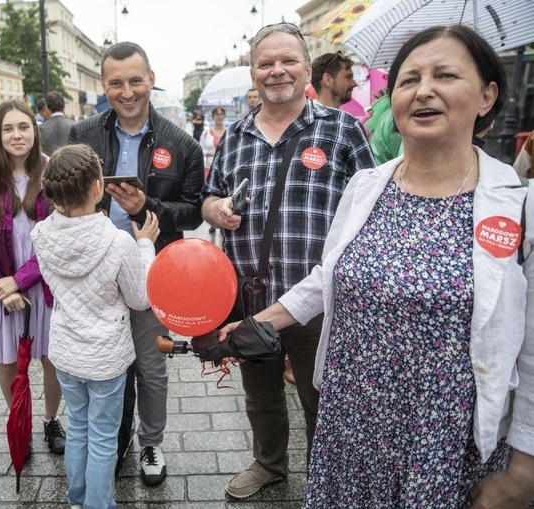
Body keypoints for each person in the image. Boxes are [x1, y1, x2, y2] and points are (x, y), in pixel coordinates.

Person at [222, 25, 534, 508]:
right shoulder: (368, 186)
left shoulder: (519, 207)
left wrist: (523, 470)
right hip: (351, 429)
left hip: (443, 444)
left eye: (445, 75)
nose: (424, 90)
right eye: (409, 79)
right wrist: (253, 324)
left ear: (487, 95)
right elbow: (328, 275)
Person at [201, 23, 375, 499]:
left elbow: (373, 207)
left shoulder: (342, 130)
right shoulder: (233, 136)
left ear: (305, 67)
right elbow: (209, 196)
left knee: (322, 395)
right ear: (253, 74)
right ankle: (269, 464)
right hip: (248, 295)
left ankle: (329, 475)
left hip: (317, 301)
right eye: (265, 63)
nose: (277, 70)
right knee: (259, 394)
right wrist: (214, 209)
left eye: (288, 61)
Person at [68, 41, 204, 486]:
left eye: (135, 80)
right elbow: (66, 199)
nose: (126, 91)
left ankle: (151, 443)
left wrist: (151, 205)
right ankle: (115, 437)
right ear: (104, 84)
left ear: (150, 79)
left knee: (149, 365)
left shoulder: (181, 143)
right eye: (115, 82)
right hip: (97, 272)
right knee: (106, 365)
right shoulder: (83, 134)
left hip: (152, 269)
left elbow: (194, 210)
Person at [32, 144, 159, 509]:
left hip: (67, 353)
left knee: (79, 431)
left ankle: (77, 500)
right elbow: (140, 299)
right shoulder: (119, 242)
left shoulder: (40, 235)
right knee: (103, 437)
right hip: (106, 358)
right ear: (97, 188)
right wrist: (145, 247)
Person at [0, 99, 66, 454]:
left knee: (51, 360)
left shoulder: (53, 177)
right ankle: (18, 421)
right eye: (7, 128)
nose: (16, 134)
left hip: (45, 288)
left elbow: (59, 240)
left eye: (23, 126)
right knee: (9, 363)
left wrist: (20, 280)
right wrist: (2, 286)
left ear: (34, 132)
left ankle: (52, 421)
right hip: (3, 292)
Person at [39, 91, 76, 156]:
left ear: (47, 108)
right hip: (71, 164)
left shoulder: (41, 128)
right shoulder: (75, 125)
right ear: (64, 106)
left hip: (50, 164)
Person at [200, 106, 227, 178]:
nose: (219, 116)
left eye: (221, 114)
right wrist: (209, 153)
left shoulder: (229, 132)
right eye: (217, 114)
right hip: (208, 170)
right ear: (212, 116)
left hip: (225, 170)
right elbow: (199, 150)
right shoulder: (206, 132)